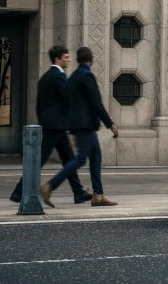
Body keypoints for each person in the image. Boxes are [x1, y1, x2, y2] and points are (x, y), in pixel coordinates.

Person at [9, 45, 91, 204]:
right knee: (38, 161)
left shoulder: (46, 77)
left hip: (54, 126)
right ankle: (18, 193)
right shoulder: (58, 77)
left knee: (69, 159)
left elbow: (39, 105)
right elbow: (68, 99)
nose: (69, 60)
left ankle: (78, 192)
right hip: (55, 127)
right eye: (66, 57)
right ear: (58, 59)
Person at [41, 46, 119, 207]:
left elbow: (68, 104)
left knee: (96, 157)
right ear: (91, 60)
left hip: (80, 126)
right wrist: (110, 124)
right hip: (86, 125)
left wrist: (72, 130)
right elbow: (96, 103)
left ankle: (98, 194)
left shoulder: (74, 76)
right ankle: (50, 185)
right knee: (81, 159)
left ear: (78, 59)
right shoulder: (87, 75)